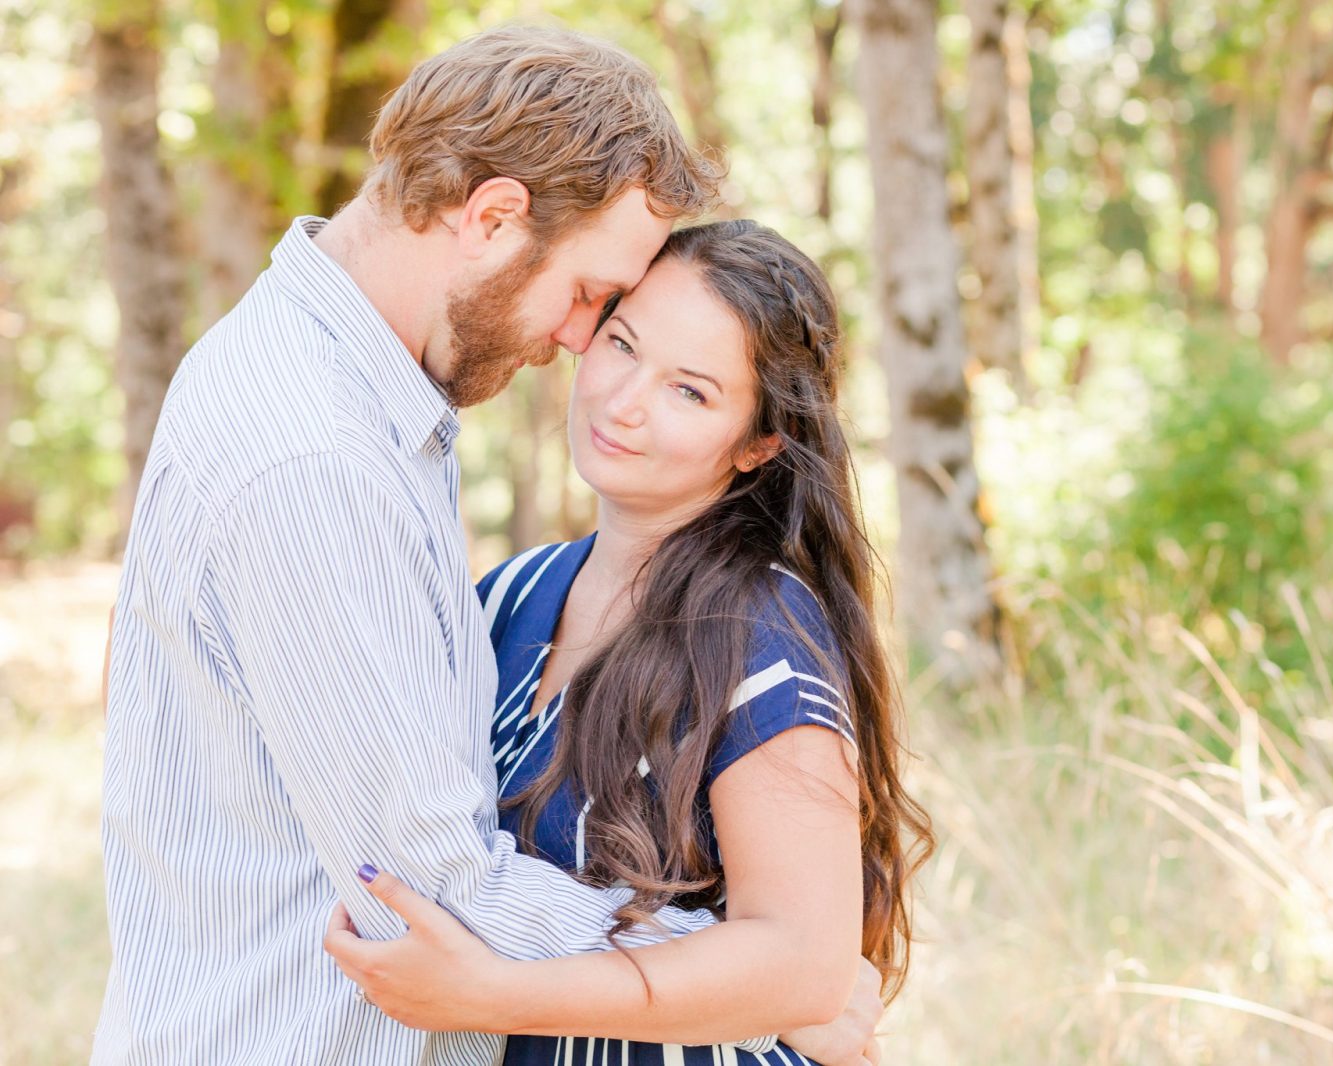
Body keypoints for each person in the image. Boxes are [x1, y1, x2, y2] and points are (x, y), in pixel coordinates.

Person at [94, 27, 876, 1066]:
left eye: (687, 386)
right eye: (597, 300)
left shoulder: (360, 391)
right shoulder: (318, 454)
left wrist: (784, 965)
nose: (577, 342)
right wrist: (772, 983)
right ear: (493, 216)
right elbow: (430, 890)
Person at [323, 219, 932, 1066]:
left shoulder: (758, 637)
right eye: (622, 344)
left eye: (691, 390)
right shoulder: (509, 596)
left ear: (760, 443)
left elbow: (802, 960)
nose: (625, 401)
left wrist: (499, 995)